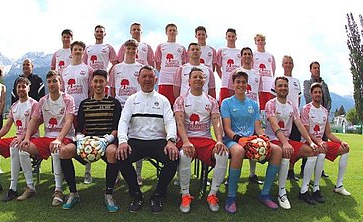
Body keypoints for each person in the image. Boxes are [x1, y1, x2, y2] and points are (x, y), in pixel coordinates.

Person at [116, 65, 179, 214]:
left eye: (150, 77)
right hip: (136, 140)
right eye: (144, 76)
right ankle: (136, 194)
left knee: (173, 158)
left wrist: (171, 141)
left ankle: (157, 195)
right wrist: (123, 141)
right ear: (138, 80)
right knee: (121, 157)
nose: (147, 79)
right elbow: (123, 122)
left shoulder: (163, 100)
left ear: (156, 79)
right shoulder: (132, 99)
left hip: (157, 140)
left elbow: (170, 121)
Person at [58, 69, 122, 210]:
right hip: (87, 141)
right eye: (96, 81)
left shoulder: (114, 103)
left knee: (112, 153)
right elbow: (79, 128)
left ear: (106, 83)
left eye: (101, 81)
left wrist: (106, 140)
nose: (98, 84)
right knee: (64, 151)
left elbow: (117, 128)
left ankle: (109, 194)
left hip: (107, 141)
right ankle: (73, 193)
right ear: (91, 83)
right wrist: (81, 139)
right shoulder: (84, 104)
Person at [221, 71, 282, 214]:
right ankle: (231, 198)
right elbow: (227, 128)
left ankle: (265, 194)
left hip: (251, 140)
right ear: (233, 84)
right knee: (238, 151)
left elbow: (258, 127)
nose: (241, 84)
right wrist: (238, 139)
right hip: (232, 140)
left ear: (247, 85)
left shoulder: (253, 104)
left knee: (277, 150)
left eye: (243, 82)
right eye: (238, 82)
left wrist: (263, 137)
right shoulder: (227, 103)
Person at [174, 67, 228, 213]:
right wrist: (185, 141)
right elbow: (179, 122)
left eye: (201, 77)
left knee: (223, 154)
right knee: (184, 155)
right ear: (189, 81)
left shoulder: (211, 100)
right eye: (195, 77)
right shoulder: (181, 100)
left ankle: (212, 194)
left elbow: (216, 121)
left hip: (205, 139)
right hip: (187, 138)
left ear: (205, 80)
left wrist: (219, 141)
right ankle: (185, 194)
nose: (198, 79)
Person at [19, 70, 75, 206]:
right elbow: (34, 119)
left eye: (55, 81)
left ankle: (58, 190)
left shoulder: (68, 99)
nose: (51, 84)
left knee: (55, 148)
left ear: (60, 83)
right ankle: (30, 187)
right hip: (48, 137)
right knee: (23, 149)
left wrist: (58, 139)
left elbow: (69, 121)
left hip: (65, 137)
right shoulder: (43, 101)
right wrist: (26, 138)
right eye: (49, 81)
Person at [265, 76, 318, 209]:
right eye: (280, 85)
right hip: (273, 141)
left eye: (285, 86)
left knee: (312, 152)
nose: (283, 88)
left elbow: (299, 125)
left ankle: (304, 191)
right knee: (286, 152)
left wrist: (310, 142)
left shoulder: (292, 106)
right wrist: (285, 143)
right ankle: (281, 193)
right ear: (275, 88)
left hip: (286, 141)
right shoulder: (270, 104)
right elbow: (274, 125)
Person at [0, 77, 38, 202]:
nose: (21, 89)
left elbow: (34, 125)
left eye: (24, 86)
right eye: (19, 87)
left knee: (15, 146)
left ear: (28, 88)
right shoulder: (14, 106)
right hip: (17, 138)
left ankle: (13, 188)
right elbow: (7, 125)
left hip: (31, 139)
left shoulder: (34, 104)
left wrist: (23, 137)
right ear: (16, 89)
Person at [301, 82, 351, 200]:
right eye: (315, 92)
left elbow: (328, 133)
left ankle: (339, 185)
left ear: (322, 94)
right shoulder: (306, 109)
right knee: (321, 151)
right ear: (311, 94)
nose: (318, 94)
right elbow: (306, 132)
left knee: (345, 149)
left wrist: (340, 141)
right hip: (308, 142)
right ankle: (314, 189)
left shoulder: (324, 111)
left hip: (321, 143)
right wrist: (318, 142)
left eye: (319, 92)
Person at [110, 39, 144, 185]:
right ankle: (117, 172)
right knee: (120, 139)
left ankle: (138, 174)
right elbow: (112, 88)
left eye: (133, 49)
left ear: (137, 51)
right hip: (121, 107)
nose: (130, 51)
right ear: (124, 49)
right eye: (128, 48)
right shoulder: (116, 68)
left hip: (137, 107)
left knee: (138, 138)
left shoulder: (141, 67)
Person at [61, 40, 94, 184]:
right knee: (67, 140)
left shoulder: (88, 69)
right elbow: (63, 91)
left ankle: (87, 172)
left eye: (81, 49)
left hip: (83, 110)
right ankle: (63, 172)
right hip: (69, 111)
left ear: (83, 52)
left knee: (84, 140)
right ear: (71, 51)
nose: (78, 52)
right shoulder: (65, 70)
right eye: (75, 49)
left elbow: (91, 91)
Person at [270, 55, 302, 181]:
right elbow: (272, 98)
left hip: (293, 117)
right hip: (280, 117)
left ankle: (290, 170)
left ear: (293, 65)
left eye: (290, 63)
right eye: (286, 63)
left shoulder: (296, 81)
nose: (288, 65)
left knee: (294, 143)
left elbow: (298, 100)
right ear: (282, 65)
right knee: (281, 144)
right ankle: (279, 169)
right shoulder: (277, 80)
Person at [236, 47, 262, 184]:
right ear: (241, 57)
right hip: (239, 108)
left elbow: (260, 92)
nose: (247, 56)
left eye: (249, 54)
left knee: (254, 138)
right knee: (237, 141)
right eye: (244, 54)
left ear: (252, 57)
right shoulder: (237, 72)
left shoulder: (257, 73)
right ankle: (232, 175)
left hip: (253, 108)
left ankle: (252, 173)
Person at [302, 61, 332, 178]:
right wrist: (316, 109)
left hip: (323, 119)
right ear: (310, 70)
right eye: (314, 68)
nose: (317, 70)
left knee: (323, 143)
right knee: (310, 143)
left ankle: (320, 169)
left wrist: (325, 111)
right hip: (312, 117)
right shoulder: (307, 83)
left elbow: (328, 99)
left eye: (318, 68)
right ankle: (305, 167)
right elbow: (308, 96)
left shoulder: (324, 84)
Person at [154, 23, 187, 105]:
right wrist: (164, 71)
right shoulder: (161, 46)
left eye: (174, 30)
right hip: (164, 80)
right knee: (164, 103)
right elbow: (157, 63)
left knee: (177, 104)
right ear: (166, 32)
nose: (172, 32)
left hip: (177, 81)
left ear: (177, 32)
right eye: (170, 30)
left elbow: (184, 64)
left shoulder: (181, 47)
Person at [216, 28, 241, 104]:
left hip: (237, 84)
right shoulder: (221, 51)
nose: (231, 38)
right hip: (225, 85)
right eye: (229, 36)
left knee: (237, 105)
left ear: (236, 38)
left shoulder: (240, 52)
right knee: (224, 105)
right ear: (226, 37)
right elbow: (217, 68)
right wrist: (224, 78)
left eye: (233, 36)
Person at [253, 33, 276, 110]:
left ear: (265, 42)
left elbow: (273, 69)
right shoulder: (253, 55)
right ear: (255, 42)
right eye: (258, 40)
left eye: (262, 40)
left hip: (269, 86)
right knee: (261, 108)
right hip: (259, 87)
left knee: (270, 108)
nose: (260, 42)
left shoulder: (270, 56)